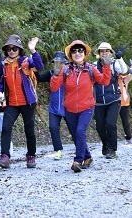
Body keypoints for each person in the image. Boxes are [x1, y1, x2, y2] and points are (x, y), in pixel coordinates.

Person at [50, 40, 111, 172]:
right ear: (70, 54)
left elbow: (105, 81)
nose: (77, 53)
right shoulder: (65, 70)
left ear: (85, 53)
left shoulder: (90, 69)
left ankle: (78, 160)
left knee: (80, 132)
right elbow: (54, 87)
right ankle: (88, 157)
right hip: (70, 109)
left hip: (87, 108)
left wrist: (106, 66)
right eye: (74, 51)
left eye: (80, 50)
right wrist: (55, 74)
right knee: (76, 135)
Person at [0, 34, 44, 169]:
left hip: (28, 102)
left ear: (20, 50)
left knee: (29, 130)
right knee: (5, 128)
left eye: (14, 48)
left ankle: (31, 156)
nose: (11, 51)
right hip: (12, 103)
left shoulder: (26, 61)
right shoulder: (3, 64)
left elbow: (39, 66)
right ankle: (5, 156)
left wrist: (33, 50)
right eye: (9, 48)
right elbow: (0, 82)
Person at [93, 43, 129, 159]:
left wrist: (119, 58)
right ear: (98, 53)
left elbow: (124, 70)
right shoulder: (93, 66)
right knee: (99, 127)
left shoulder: (115, 64)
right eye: (102, 51)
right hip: (98, 100)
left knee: (110, 123)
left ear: (110, 52)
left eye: (107, 51)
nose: (104, 53)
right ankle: (105, 144)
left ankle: (112, 149)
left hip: (114, 99)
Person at [35, 51, 72, 160]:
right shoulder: (51, 73)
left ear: (65, 63)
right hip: (54, 107)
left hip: (68, 107)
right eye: (55, 62)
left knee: (73, 129)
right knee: (53, 128)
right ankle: (58, 151)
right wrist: (34, 67)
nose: (58, 65)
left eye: (60, 62)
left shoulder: (70, 73)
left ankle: (81, 149)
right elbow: (39, 78)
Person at [117, 73, 132, 144]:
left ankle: (128, 138)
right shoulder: (109, 78)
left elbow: (131, 75)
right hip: (113, 103)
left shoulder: (123, 79)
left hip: (124, 103)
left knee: (125, 121)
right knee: (111, 121)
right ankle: (112, 137)